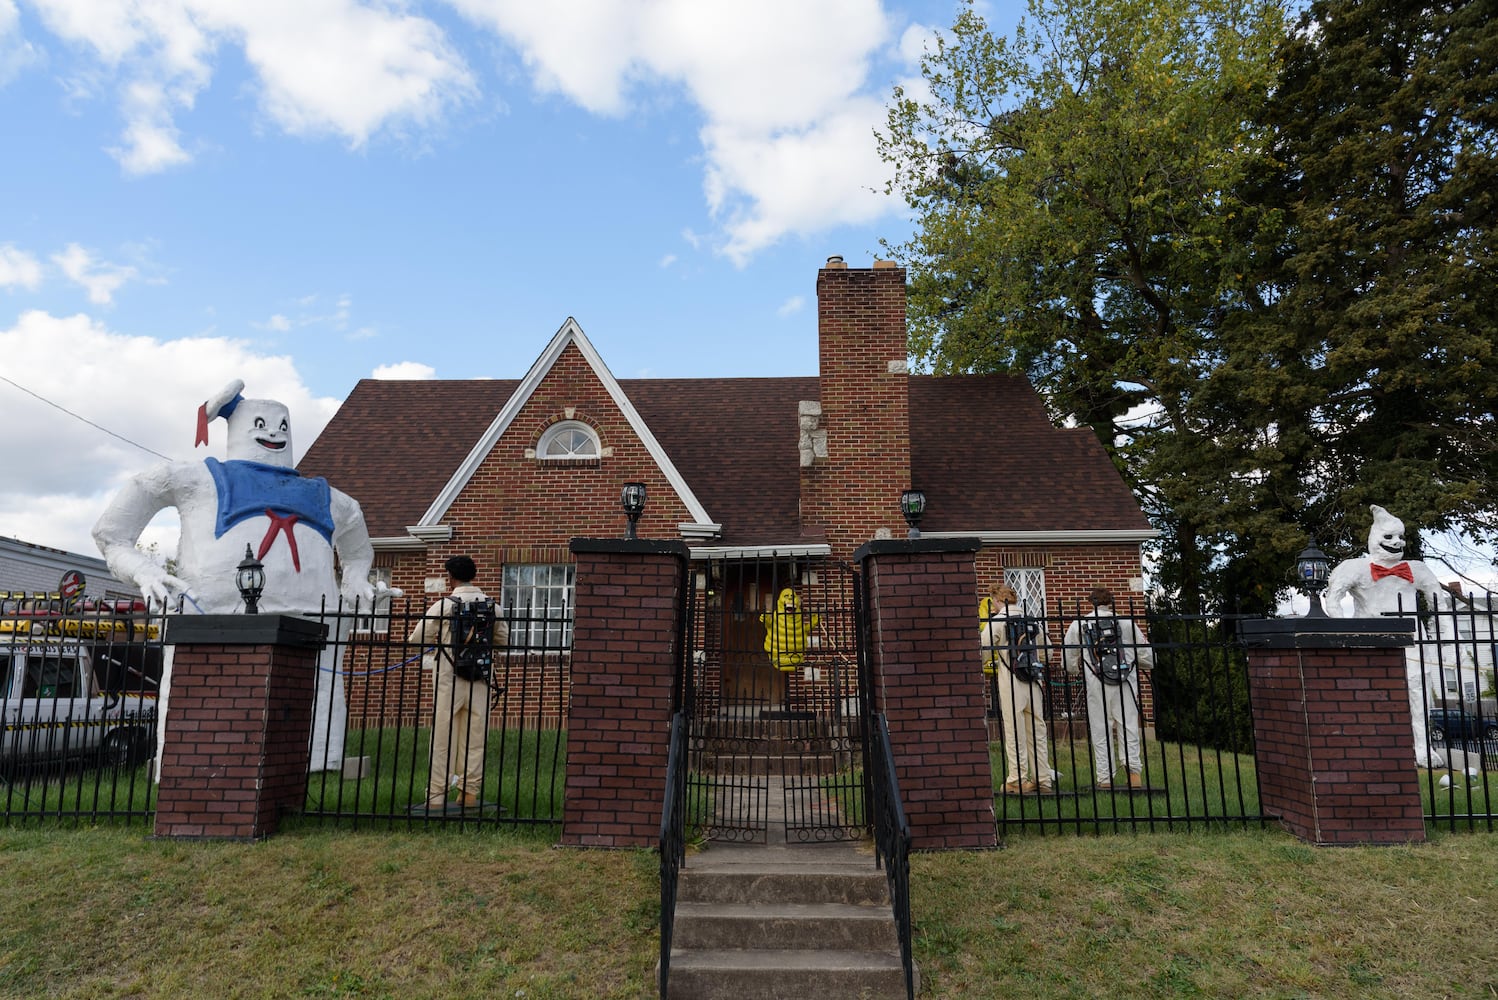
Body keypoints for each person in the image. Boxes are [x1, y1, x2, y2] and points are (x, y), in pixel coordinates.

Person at [92, 379, 384, 774]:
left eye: (281, 426)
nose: (273, 433)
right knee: (209, 689)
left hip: (314, 615)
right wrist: (144, 569)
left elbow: (358, 547)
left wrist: (355, 580)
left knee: (315, 693)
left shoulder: (327, 496)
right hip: (210, 609)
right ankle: (192, 762)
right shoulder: (196, 478)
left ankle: (319, 760)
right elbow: (111, 533)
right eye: (262, 423)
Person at [1325, 504, 1447, 768]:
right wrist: (1349, 635)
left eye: (1401, 537)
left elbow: (1439, 602)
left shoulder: (1417, 569)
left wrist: (1441, 635)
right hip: (1370, 644)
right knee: (1368, 693)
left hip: (1414, 643)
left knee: (1418, 693)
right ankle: (1368, 746)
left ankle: (1423, 747)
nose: (1397, 542)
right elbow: (1333, 600)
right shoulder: (1354, 567)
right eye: (1389, 537)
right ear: (1374, 539)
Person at [408, 555, 506, 811]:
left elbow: (418, 638)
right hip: (481, 678)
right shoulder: (492, 606)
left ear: (451, 577)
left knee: (443, 737)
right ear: (474, 575)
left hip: (449, 679)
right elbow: (504, 640)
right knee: (476, 735)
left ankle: (436, 796)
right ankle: (469, 792)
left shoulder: (444, 605)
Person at [1063, 586, 1155, 789]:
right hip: (1125, 682)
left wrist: (1074, 671)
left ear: (1091, 602)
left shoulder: (1080, 623)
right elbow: (1147, 657)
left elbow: (1068, 657)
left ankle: (1105, 777)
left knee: (1100, 728)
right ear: (1110, 603)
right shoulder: (1127, 623)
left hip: (1096, 682)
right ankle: (1133, 774)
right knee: (1129, 726)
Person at [980, 582, 1051, 794]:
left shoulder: (998, 622)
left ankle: (1016, 778)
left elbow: (982, 650)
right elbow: (1048, 652)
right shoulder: (1031, 620)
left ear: (998, 600)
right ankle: (1043, 778)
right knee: (1037, 730)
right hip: (1034, 680)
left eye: (993, 602)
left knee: (1014, 730)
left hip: (1011, 680)